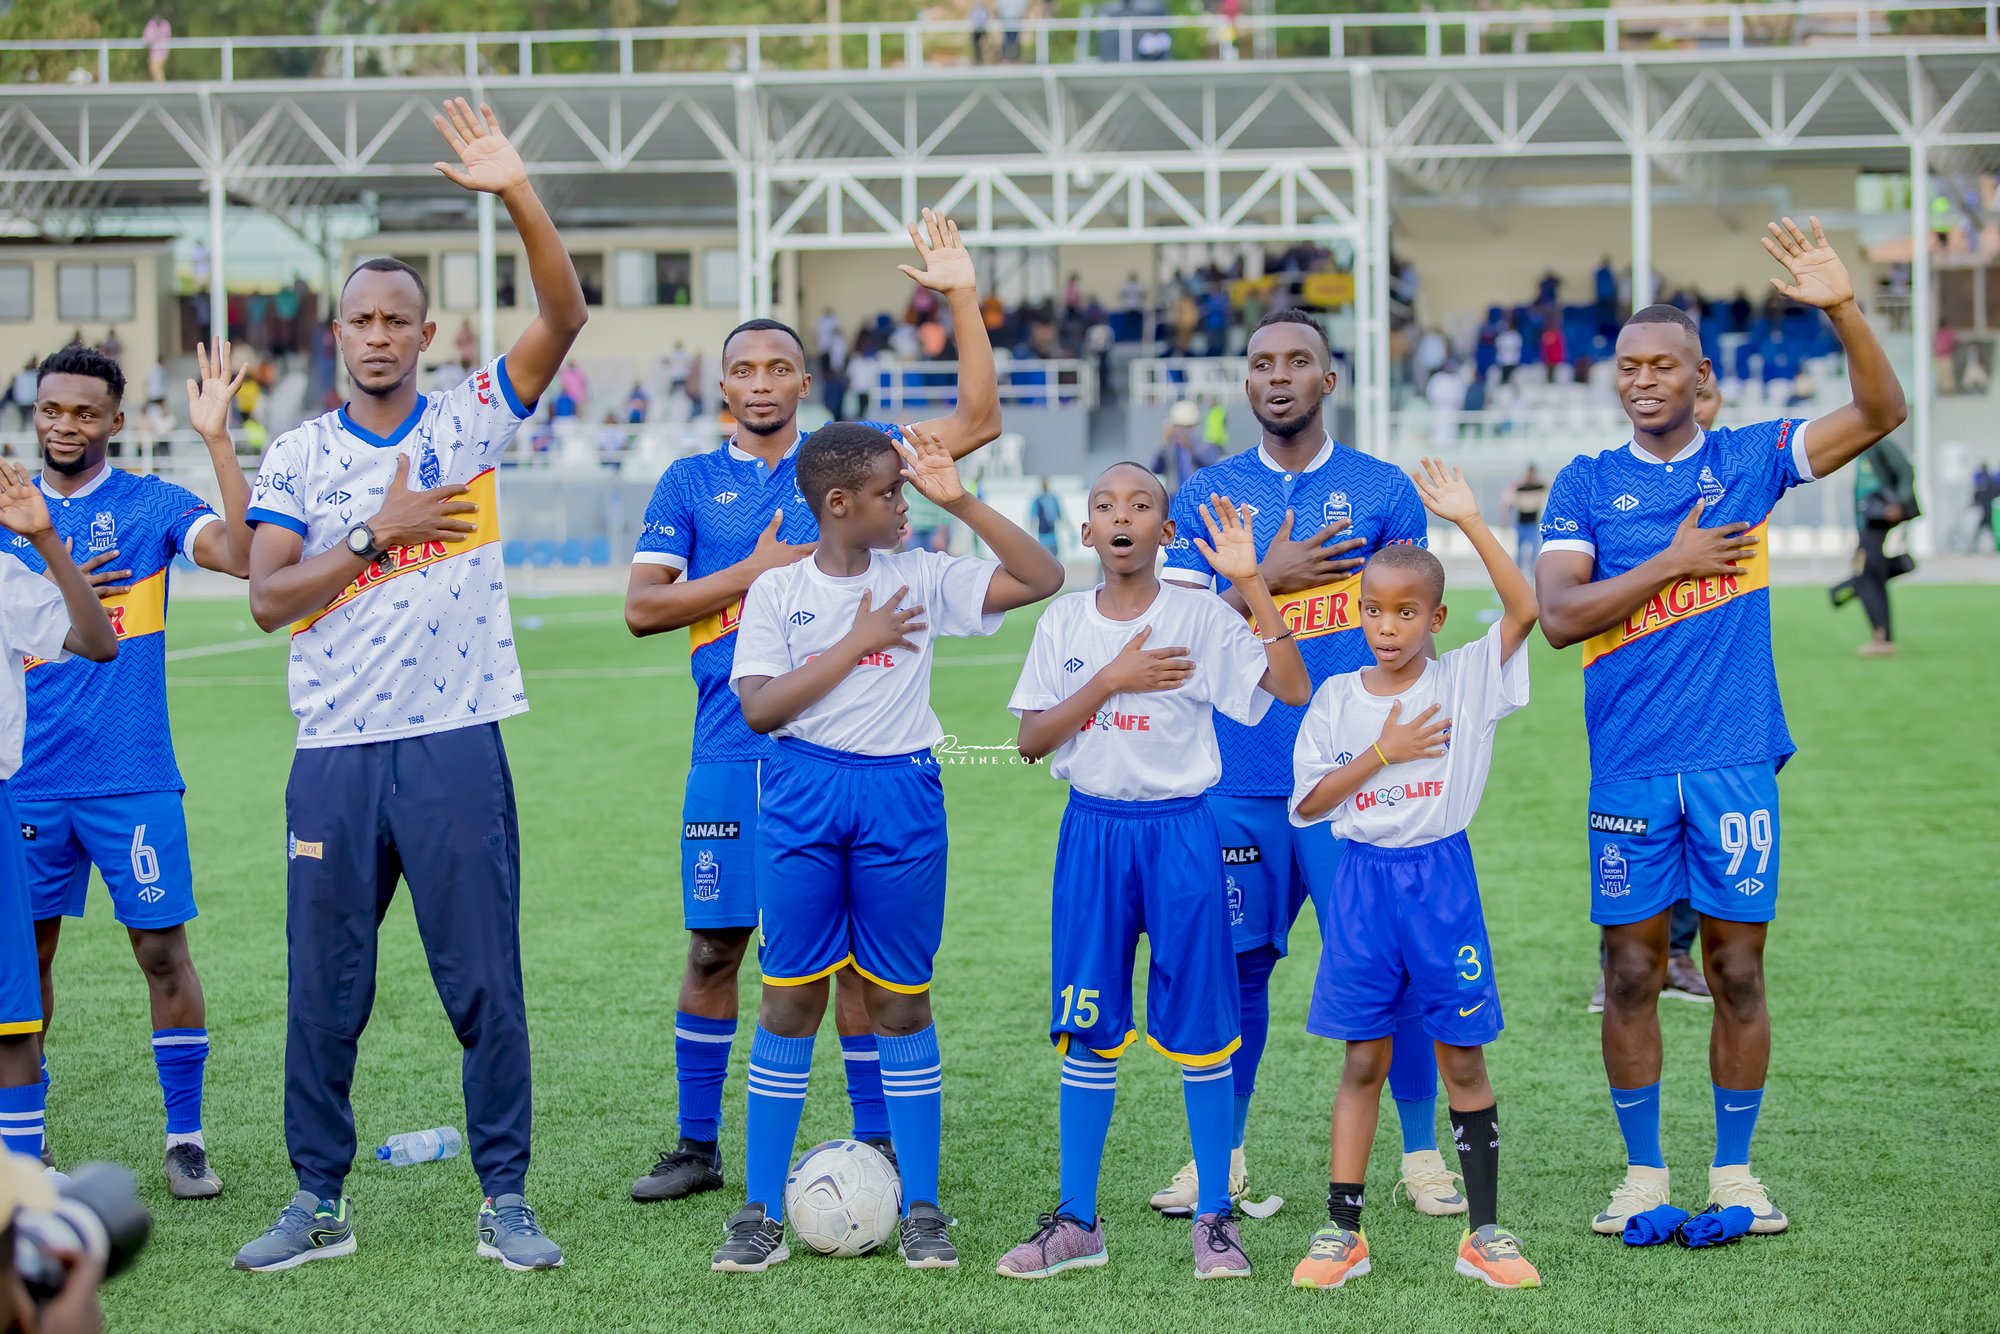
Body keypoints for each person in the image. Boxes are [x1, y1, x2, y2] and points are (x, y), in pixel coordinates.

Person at [232, 98, 587, 1274]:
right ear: (336, 333)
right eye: (361, 319)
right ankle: (316, 1200)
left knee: (484, 982)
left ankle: (505, 1197)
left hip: (452, 740)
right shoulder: (298, 453)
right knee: (324, 990)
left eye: (398, 319)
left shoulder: (469, 423)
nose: (379, 335)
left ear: (428, 333)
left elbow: (564, 313)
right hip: (334, 751)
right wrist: (375, 533)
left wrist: (516, 187)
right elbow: (268, 596)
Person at [1536, 218, 1905, 1237]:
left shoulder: (1751, 458)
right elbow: (1560, 617)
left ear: (1701, 376)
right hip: (1629, 765)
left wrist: (1841, 307)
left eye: (1662, 365)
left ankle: (1734, 1172)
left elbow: (1882, 410)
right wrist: (1674, 561)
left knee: (1737, 971)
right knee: (1629, 971)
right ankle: (1642, 1174)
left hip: (1734, 759)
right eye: (1627, 366)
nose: (1642, 380)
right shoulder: (1583, 482)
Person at [623, 210, 1000, 1206]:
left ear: (803, 381)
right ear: (721, 385)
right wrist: (748, 572)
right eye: (741, 369)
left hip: (845, 752)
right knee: (715, 945)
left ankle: (876, 1145)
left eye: (777, 367)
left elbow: (978, 415)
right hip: (730, 742)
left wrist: (961, 296)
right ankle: (697, 1144)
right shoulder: (689, 483)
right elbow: (643, 608)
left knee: (853, 965)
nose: (759, 382)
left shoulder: (849, 464)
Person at [710, 421, 1063, 1273]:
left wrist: (961, 500)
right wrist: (857, 642)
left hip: (901, 796)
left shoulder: (922, 575)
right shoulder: (779, 590)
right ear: (838, 504)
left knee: (900, 1002)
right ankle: (759, 1212)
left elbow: (1042, 577)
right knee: (790, 1000)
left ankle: (923, 1208)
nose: (905, 504)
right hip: (801, 791)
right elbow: (759, 708)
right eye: (890, 492)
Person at [1152, 310, 1453, 1221]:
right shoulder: (1210, 491)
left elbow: (1419, 626)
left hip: (1359, 780)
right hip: (1241, 777)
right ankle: (1222, 1158)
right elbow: (1172, 630)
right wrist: (1266, 578)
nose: (1277, 376)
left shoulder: (1381, 488)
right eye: (1261, 363)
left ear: (1329, 379)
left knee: (1393, 965)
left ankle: (1423, 1155)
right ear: (1246, 383)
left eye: (1297, 361)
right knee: (1238, 970)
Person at [996, 472, 1310, 1282]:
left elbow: (1292, 688)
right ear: (1087, 532)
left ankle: (1215, 1219)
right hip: (1093, 834)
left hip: (1181, 834)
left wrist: (1251, 582)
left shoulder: (1200, 615)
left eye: (1140, 506)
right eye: (1105, 506)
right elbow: (1030, 741)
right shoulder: (1064, 621)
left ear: (1166, 532)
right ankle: (1077, 1221)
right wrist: (1110, 679)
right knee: (1086, 1023)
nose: (1122, 517)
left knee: (1203, 1026)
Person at [1289, 458, 1542, 1291]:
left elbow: (1526, 609)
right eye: (1373, 610)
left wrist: (1470, 520)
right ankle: (1342, 1232)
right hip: (1362, 884)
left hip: (1441, 883)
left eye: (1406, 612)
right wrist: (1383, 751)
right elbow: (1311, 802)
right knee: (1363, 1059)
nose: (1387, 627)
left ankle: (1485, 1233)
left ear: (1436, 617)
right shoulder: (1336, 697)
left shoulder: (1465, 679)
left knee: (1462, 1059)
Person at [18, 340, 252, 1200]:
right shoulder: (8, 510)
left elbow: (243, 553)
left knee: (161, 952)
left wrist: (218, 440)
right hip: (26, 777)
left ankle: (186, 1139)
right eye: (52, 409)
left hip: (132, 772)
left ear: (116, 420)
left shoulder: (151, 503)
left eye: (85, 413)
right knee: (26, 961)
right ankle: (25, 1141)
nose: (65, 425)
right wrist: (57, 584)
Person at [0, 459, 120, 1173]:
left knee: (10, 1016)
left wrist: (45, 541)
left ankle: (21, 1187)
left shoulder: (4, 577)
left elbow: (99, 642)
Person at [1829, 434, 1917, 658]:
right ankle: (1882, 637)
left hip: (1879, 519)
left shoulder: (1879, 443)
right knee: (1871, 573)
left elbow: (1906, 470)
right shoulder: (1860, 452)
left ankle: (1881, 638)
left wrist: (1900, 503)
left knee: (1866, 573)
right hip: (1867, 523)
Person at [1153, 402, 1216, 494]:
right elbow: (1156, 469)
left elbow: (1210, 467)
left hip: (1197, 493)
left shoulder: (1203, 445)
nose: (1183, 431)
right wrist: (1165, 444)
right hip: (1175, 495)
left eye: (1188, 427)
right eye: (1179, 426)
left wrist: (1192, 448)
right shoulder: (1170, 447)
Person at [1502, 465, 1546, 573]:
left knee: (1534, 551)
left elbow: (1550, 485)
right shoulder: (1520, 488)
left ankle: (1533, 574)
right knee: (1519, 552)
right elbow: (1509, 500)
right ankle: (1517, 573)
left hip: (1533, 524)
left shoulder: (1538, 487)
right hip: (1521, 524)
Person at [1029, 475, 1064, 560]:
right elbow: (1033, 517)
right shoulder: (1038, 500)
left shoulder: (1053, 499)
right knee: (1045, 559)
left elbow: (1060, 516)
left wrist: (1069, 530)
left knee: (1054, 558)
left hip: (1052, 535)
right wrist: (1031, 533)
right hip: (1042, 535)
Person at [144, 14, 171, 82]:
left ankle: (160, 86)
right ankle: (158, 85)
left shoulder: (165, 25)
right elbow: (147, 39)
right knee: (152, 70)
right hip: (153, 52)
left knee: (157, 69)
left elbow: (165, 36)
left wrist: (155, 36)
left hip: (162, 52)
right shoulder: (151, 25)